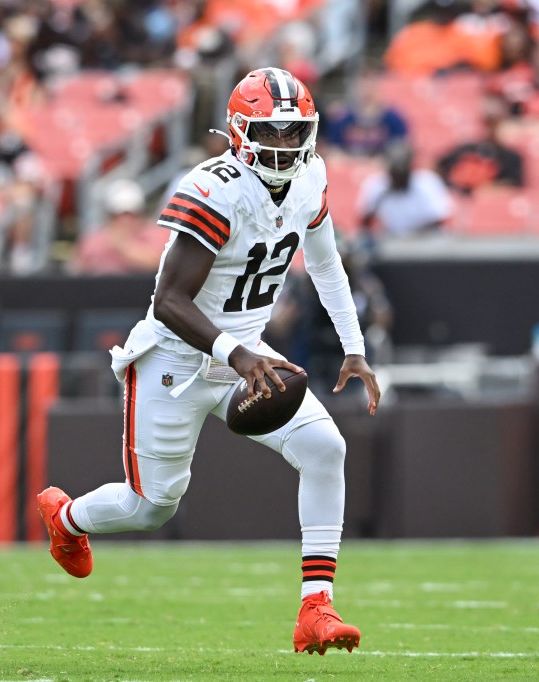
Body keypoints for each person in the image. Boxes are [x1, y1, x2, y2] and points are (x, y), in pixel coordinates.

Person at [37, 67, 381, 656]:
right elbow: (169, 301)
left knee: (327, 449)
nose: (283, 145)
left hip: (246, 351)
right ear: (240, 131)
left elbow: (325, 263)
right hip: (175, 358)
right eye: (269, 132)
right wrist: (236, 353)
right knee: (151, 508)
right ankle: (66, 519)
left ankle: (316, 607)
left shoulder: (310, 178)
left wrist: (355, 346)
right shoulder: (215, 188)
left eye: (293, 131)